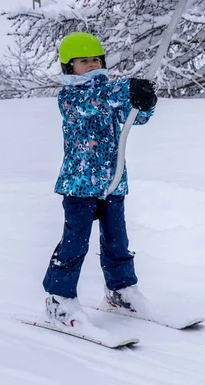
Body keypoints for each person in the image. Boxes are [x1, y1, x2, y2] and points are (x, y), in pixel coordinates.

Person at [42, 32, 158, 326]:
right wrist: (125, 89)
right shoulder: (70, 97)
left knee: (117, 243)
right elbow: (92, 102)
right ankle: (60, 299)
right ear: (70, 68)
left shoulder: (109, 91)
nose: (92, 65)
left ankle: (121, 291)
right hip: (79, 185)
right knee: (75, 244)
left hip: (113, 181)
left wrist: (145, 100)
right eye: (84, 61)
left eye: (95, 59)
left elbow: (137, 116)